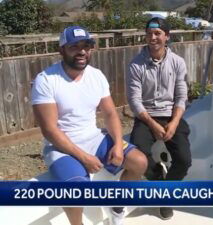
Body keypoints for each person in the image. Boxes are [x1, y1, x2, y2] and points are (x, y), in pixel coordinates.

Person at [31, 25, 148, 225]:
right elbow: (50, 130)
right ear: (62, 50)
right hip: (61, 147)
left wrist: (118, 144)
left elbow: (110, 112)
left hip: (93, 137)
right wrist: (84, 157)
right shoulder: (46, 80)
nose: (82, 51)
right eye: (74, 46)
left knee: (139, 162)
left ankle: (117, 205)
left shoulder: (96, 75)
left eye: (86, 45)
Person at [126, 17, 192, 220]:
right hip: (146, 117)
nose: (152, 37)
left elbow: (182, 96)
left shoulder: (178, 62)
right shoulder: (136, 65)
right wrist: (153, 124)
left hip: (171, 115)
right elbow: (134, 101)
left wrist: (173, 123)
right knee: (138, 155)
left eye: (157, 33)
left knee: (184, 159)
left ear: (166, 36)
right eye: (149, 33)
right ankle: (158, 179)